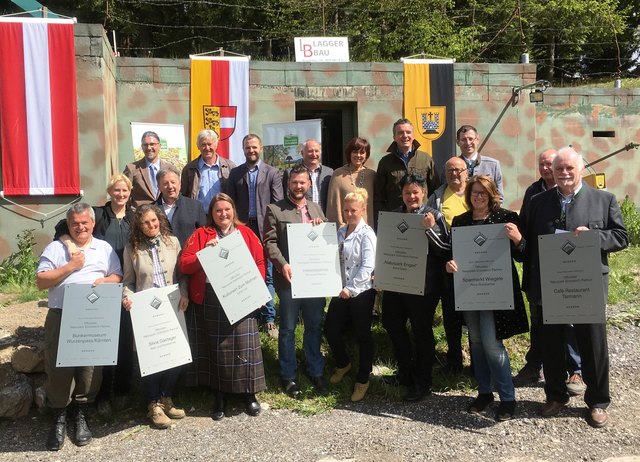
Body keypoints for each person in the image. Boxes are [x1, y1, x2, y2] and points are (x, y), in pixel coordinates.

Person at [522, 147, 628, 428]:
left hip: (587, 285)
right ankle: (556, 396)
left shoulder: (603, 199)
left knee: (593, 346)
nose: (565, 173)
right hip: (550, 285)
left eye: (570, 168)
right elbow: (527, 244)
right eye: (559, 169)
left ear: (581, 169)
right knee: (552, 343)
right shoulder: (538, 201)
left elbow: (621, 237)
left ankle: (597, 402)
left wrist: (595, 237)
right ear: (551, 172)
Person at [37, 203, 123, 451]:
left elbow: (117, 275)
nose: (80, 227)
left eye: (85, 222)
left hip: (94, 316)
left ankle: (81, 414)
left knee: (90, 369)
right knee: (58, 366)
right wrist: (70, 267)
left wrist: (105, 280)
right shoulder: (55, 248)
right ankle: (59, 417)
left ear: (93, 224)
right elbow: (41, 281)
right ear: (69, 224)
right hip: (62, 315)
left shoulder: (104, 248)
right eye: (75, 223)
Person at [445, 175, 529, 421]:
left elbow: (523, 254)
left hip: (497, 290)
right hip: (470, 290)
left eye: (483, 193)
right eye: (474, 193)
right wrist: (450, 265)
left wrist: (518, 239)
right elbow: (454, 255)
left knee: (492, 344)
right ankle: (484, 392)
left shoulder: (506, 219)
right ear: (469, 196)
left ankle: (507, 397)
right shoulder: (460, 222)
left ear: (492, 195)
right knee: (477, 342)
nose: (478, 197)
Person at [53, 174, 135, 417]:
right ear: (110, 192)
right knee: (103, 341)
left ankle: (123, 391)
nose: (120, 194)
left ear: (130, 192)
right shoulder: (97, 214)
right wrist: (69, 245)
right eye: (116, 190)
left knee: (124, 339)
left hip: (127, 282)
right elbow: (61, 227)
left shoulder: (134, 215)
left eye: (124, 190)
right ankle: (101, 397)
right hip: (101, 287)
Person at [179, 193, 267, 420]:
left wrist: (258, 292)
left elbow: (259, 262)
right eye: (218, 210)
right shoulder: (201, 235)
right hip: (212, 298)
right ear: (212, 214)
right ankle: (220, 395)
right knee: (217, 349)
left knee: (245, 346)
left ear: (233, 210)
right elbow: (184, 264)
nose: (223, 214)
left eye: (227, 209)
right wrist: (204, 254)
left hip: (243, 295)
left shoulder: (246, 233)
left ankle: (249, 394)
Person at [514, 149, 585, 396]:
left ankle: (575, 368)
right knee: (540, 322)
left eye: (549, 164)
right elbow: (525, 226)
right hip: (540, 271)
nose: (546, 168)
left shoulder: (577, 194)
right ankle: (536, 365)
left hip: (569, 270)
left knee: (570, 322)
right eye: (542, 164)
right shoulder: (533, 193)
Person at [381, 174, 449, 402]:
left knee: (421, 333)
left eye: (415, 192)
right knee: (391, 324)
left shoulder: (434, 216)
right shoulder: (395, 216)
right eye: (407, 193)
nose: (411, 197)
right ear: (401, 194)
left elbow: (445, 249)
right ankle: (405, 373)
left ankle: (423, 382)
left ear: (424, 193)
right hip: (396, 283)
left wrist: (429, 230)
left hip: (424, 287)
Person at [264, 164, 328, 397]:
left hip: (314, 281)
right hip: (288, 280)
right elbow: (269, 243)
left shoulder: (317, 209)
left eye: (302, 182)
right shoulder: (275, 209)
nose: (298, 186)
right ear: (288, 184)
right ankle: (288, 375)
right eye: (294, 182)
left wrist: (322, 228)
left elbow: (325, 241)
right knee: (288, 329)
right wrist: (283, 265)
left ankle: (315, 369)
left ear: (309, 184)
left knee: (313, 325)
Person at [121, 205, 188, 429]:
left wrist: (185, 293)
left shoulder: (174, 242)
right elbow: (128, 281)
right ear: (139, 226)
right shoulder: (132, 247)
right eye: (146, 223)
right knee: (150, 359)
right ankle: (153, 405)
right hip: (146, 311)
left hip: (172, 304)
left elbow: (182, 274)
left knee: (176, 354)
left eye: (154, 221)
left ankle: (166, 398)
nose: (152, 226)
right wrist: (127, 297)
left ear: (160, 220)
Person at [227, 133, 283, 338]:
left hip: (264, 227)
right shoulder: (235, 174)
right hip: (242, 228)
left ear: (261, 148)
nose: (251, 150)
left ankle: (268, 318)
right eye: (247, 147)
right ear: (243, 150)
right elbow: (230, 203)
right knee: (244, 272)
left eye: (254, 147)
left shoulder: (272, 173)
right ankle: (248, 314)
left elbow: (277, 202)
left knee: (267, 273)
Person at [324, 188, 377, 401]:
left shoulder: (367, 234)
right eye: (346, 210)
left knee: (362, 335)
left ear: (363, 209)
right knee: (330, 329)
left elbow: (368, 266)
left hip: (361, 293)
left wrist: (351, 289)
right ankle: (343, 363)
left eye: (353, 210)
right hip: (340, 290)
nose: (349, 214)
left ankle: (363, 379)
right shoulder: (340, 231)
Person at [426, 156, 470, 373]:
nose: (455, 174)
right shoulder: (437, 196)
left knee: (473, 313)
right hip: (447, 258)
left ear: (467, 172)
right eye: (450, 170)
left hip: (474, 258)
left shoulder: (476, 193)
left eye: (459, 170)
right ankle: (454, 361)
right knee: (451, 314)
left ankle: (478, 363)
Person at [374, 118, 440, 219]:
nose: (405, 136)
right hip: (395, 218)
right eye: (400, 133)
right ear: (394, 137)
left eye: (408, 132)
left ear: (413, 136)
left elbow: (435, 190)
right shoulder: (385, 162)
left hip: (423, 217)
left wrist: (431, 213)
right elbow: (379, 196)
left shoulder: (425, 159)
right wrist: (384, 219)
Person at [325, 137, 376, 226]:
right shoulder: (338, 175)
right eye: (355, 152)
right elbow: (333, 206)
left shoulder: (372, 175)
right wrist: (340, 228)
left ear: (366, 155)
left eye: (362, 152)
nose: (358, 155)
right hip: (345, 230)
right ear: (349, 153)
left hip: (367, 229)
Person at [181, 129, 236, 211]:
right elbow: (184, 195)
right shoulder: (189, 169)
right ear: (198, 146)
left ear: (216, 145)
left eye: (210, 144)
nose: (207, 148)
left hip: (222, 215)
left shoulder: (230, 167)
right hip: (199, 215)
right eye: (203, 144)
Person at [155, 165, 207, 247]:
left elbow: (204, 236)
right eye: (165, 183)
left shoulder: (196, 207)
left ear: (180, 184)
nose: (170, 187)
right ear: (159, 187)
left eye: (173, 182)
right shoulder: (151, 209)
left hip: (188, 257)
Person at [282, 139, 333, 214]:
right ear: (302, 153)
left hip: (324, 219)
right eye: (310, 151)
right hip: (300, 217)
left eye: (316, 151)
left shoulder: (329, 172)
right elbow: (287, 197)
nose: (314, 154)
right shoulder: (290, 173)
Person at [124, 131, 172, 208]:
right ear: (142, 147)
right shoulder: (131, 168)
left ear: (159, 146)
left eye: (152, 144)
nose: (149, 148)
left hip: (164, 215)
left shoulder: (170, 168)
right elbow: (124, 193)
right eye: (145, 145)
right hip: (140, 215)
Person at [456, 125, 503, 198]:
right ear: (458, 142)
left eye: (471, 139)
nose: (468, 143)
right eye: (463, 139)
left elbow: (499, 196)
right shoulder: (451, 167)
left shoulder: (493, 165)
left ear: (477, 139)